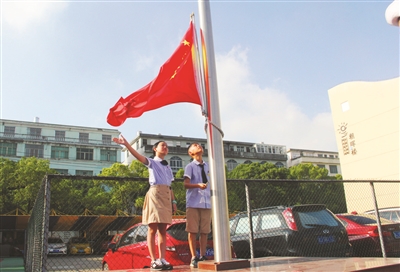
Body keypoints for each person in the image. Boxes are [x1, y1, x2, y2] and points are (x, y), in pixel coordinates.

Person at [113, 134, 177, 271]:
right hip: (155, 194)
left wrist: (174, 201)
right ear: (155, 149)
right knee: (152, 228)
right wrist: (127, 145)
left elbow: (170, 186)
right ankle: (154, 260)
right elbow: (138, 156)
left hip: (166, 195)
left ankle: (163, 258)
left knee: (163, 230)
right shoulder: (152, 162)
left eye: (167, 146)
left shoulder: (168, 166)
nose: (165, 147)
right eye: (162, 145)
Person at [183, 143, 212, 268]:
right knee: (193, 230)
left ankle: (203, 254)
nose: (199, 146)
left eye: (199, 145)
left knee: (205, 230)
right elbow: (186, 184)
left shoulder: (208, 166)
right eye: (195, 145)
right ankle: (194, 256)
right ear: (191, 153)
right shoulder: (190, 167)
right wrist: (198, 185)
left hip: (206, 202)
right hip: (194, 202)